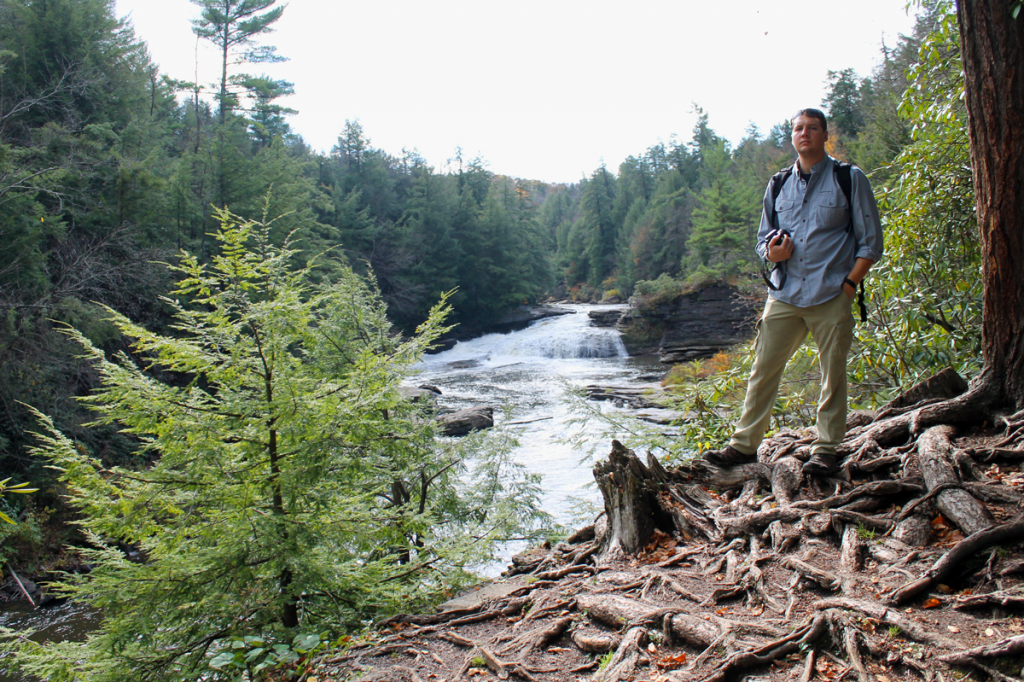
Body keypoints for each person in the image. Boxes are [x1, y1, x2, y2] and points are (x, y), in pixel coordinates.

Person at [702, 108, 884, 476]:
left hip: (831, 293)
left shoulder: (849, 178)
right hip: (783, 294)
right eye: (799, 128)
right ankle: (743, 446)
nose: (805, 134)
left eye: (812, 128)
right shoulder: (778, 183)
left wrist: (849, 286)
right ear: (792, 136)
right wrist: (773, 253)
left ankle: (827, 448)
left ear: (824, 135)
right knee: (763, 369)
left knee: (832, 373)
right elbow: (762, 240)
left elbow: (871, 243)